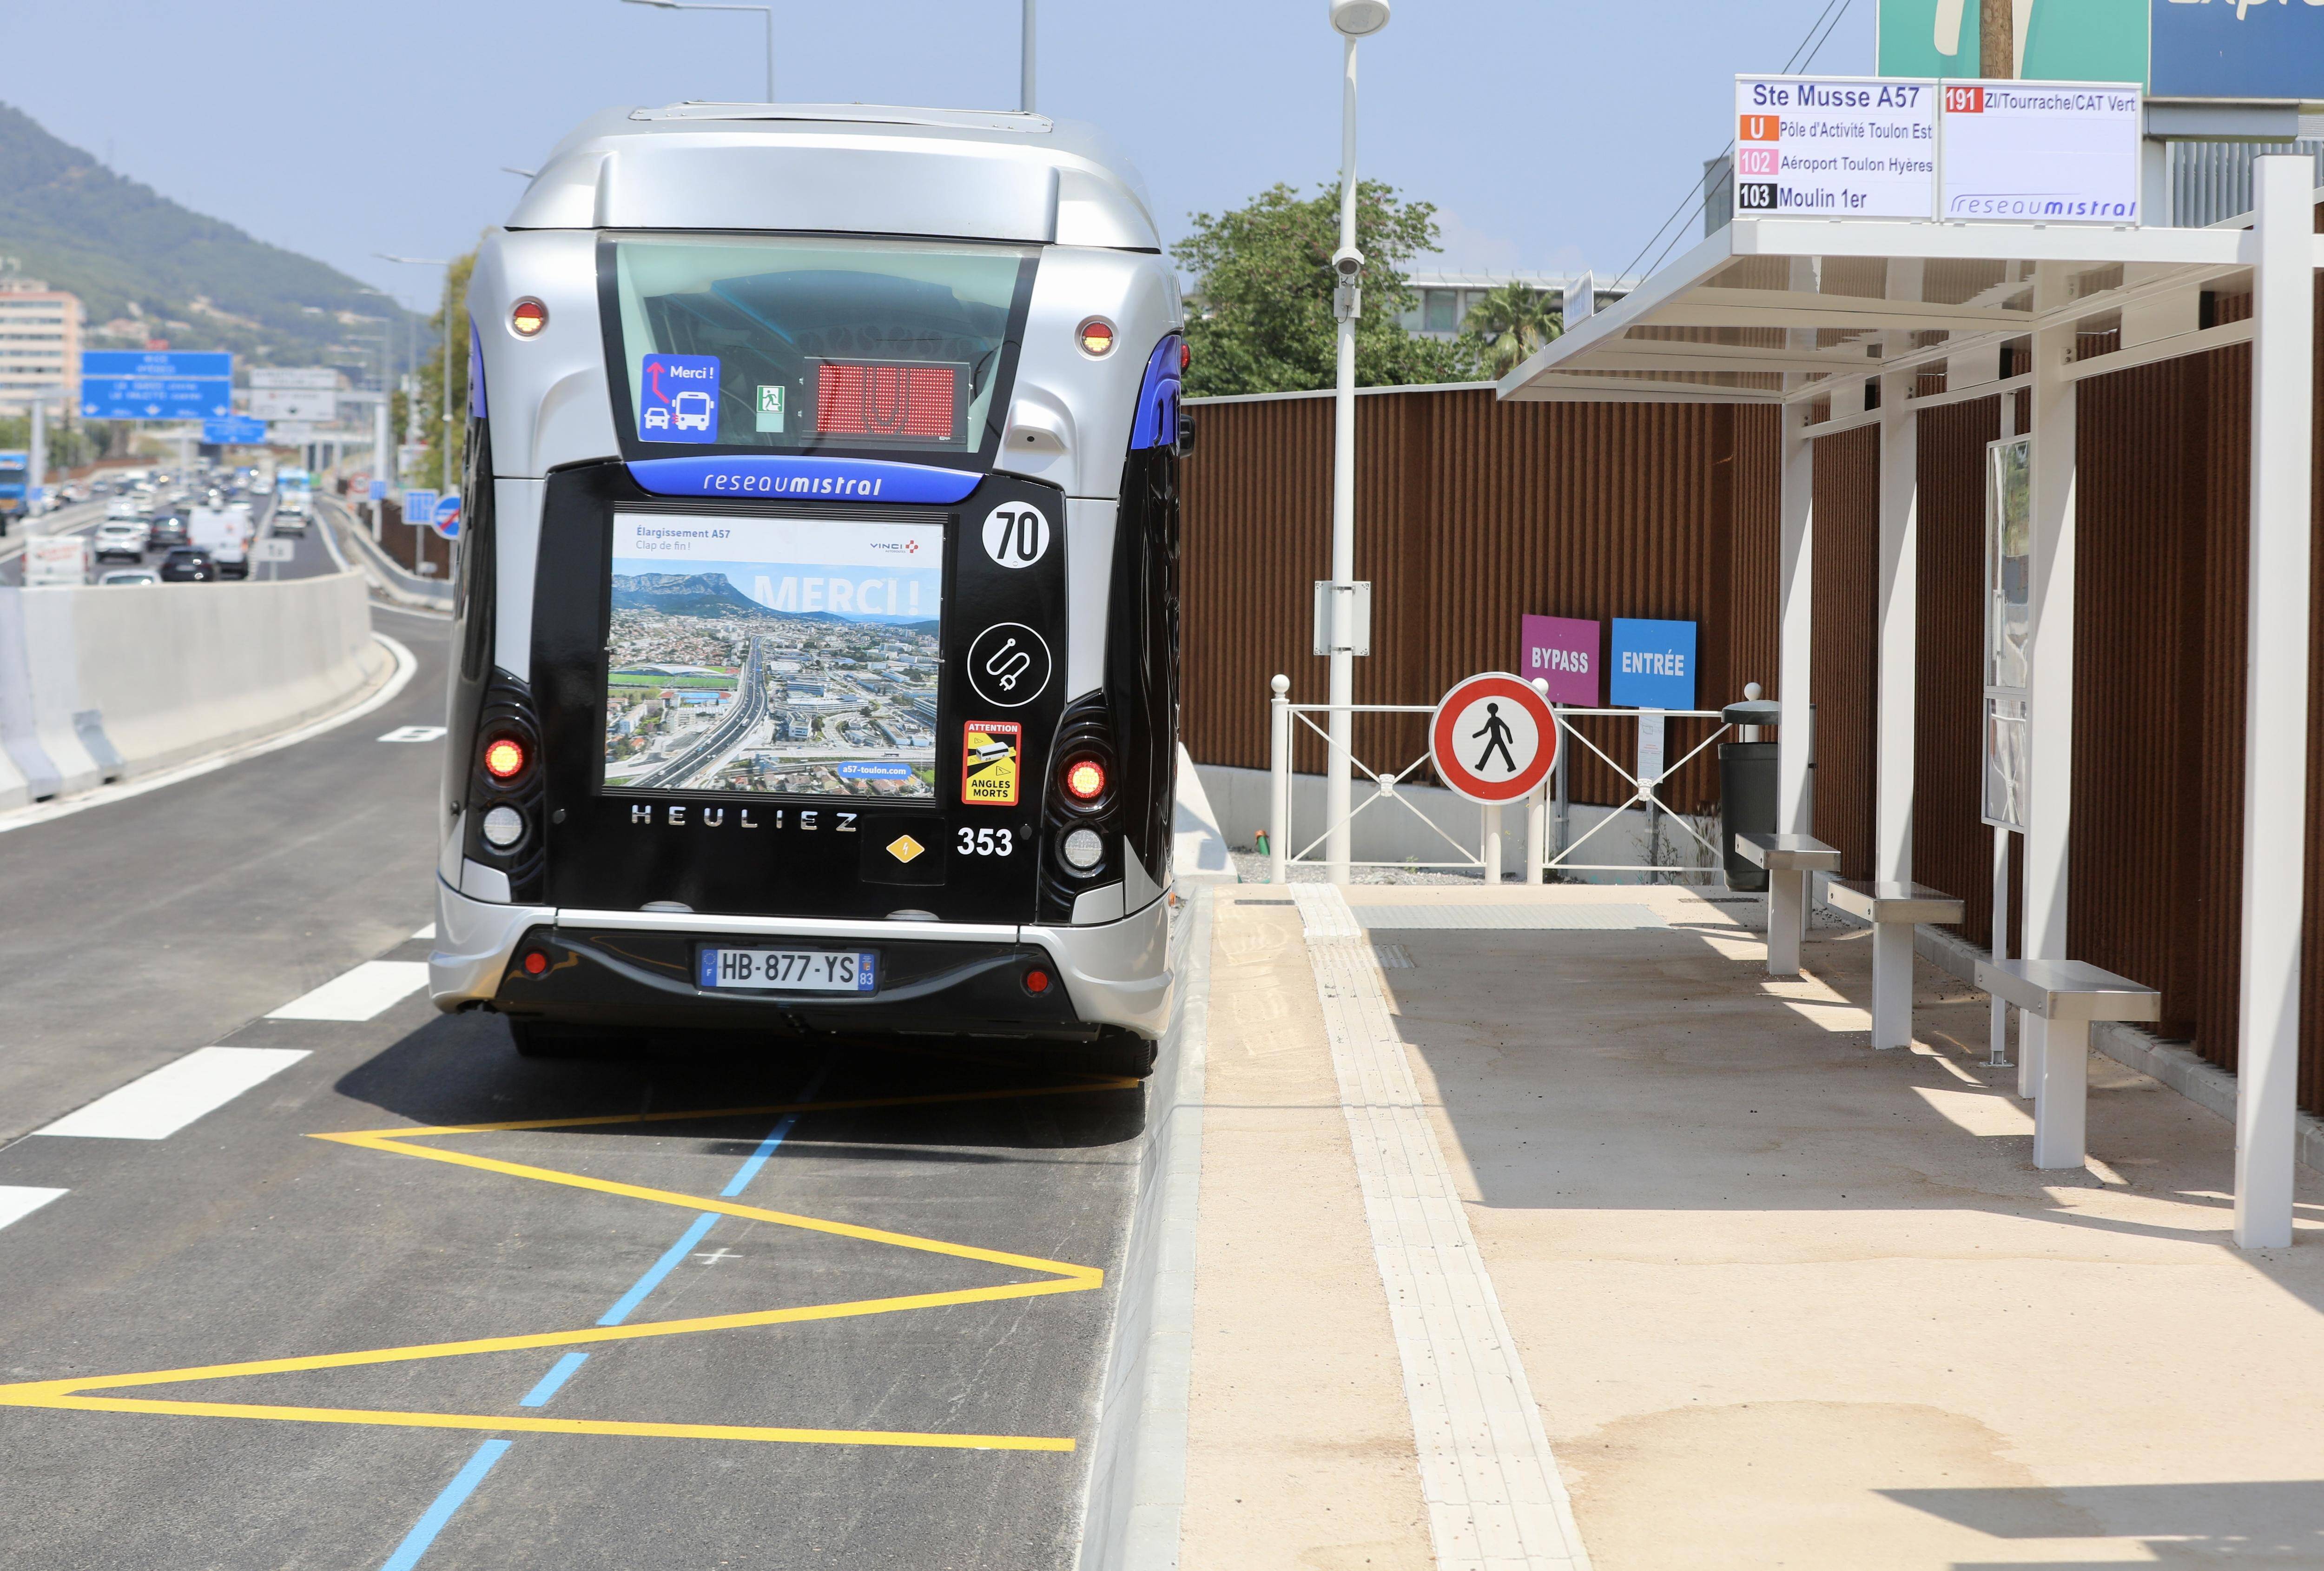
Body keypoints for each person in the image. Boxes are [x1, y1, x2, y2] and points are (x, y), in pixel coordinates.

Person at [1472, 702, 1517, 774]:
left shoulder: (1491, 720)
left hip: (1495, 738)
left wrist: (1476, 735)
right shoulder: (1497, 719)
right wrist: (1510, 740)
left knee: (1490, 751)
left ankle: (1481, 766)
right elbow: (1506, 728)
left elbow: (1485, 731)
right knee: (1502, 752)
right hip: (1497, 738)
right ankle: (1512, 766)